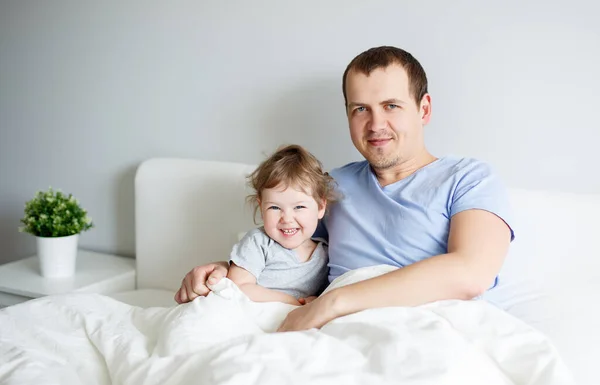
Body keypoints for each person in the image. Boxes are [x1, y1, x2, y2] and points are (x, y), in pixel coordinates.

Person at [175, 46, 514, 332]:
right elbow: (290, 246)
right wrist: (227, 270)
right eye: (360, 109)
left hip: (430, 326)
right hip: (340, 334)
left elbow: (471, 273)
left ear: (423, 109)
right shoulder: (332, 186)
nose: (376, 124)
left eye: (391, 106)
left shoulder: (469, 178)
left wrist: (333, 303)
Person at [219, 144, 336, 306]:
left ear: (321, 207)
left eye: (299, 207)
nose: (287, 219)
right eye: (274, 207)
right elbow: (239, 287)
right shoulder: (258, 243)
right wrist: (291, 301)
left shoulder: (324, 255)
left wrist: (314, 301)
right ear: (261, 208)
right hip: (251, 311)